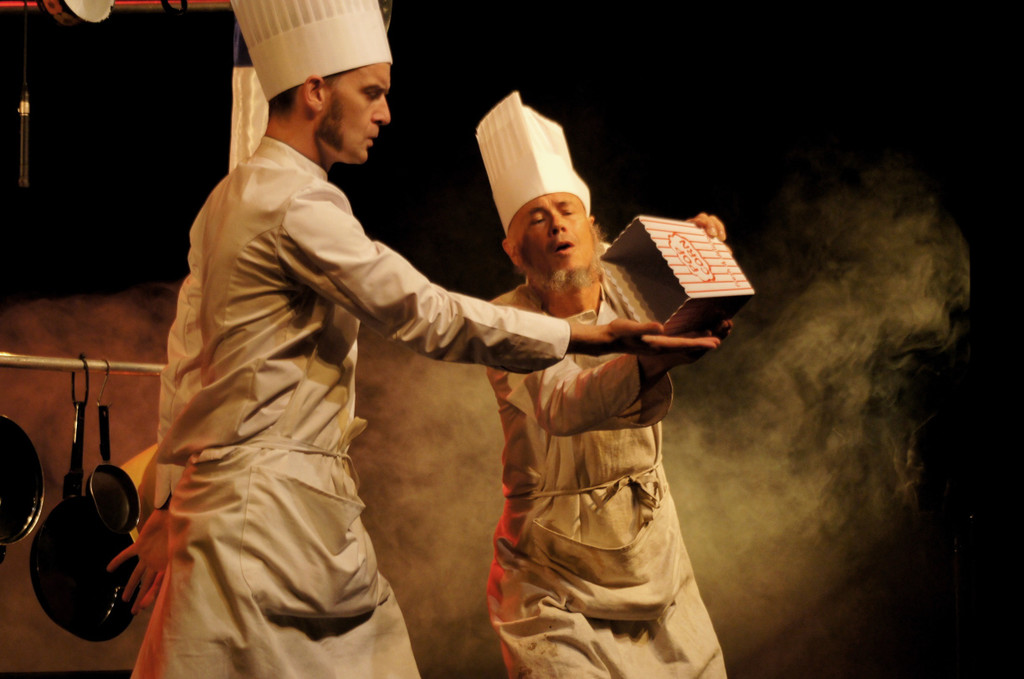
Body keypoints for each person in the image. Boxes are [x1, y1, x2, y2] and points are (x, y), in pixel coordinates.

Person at [107, 3, 711, 679]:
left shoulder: (227, 199)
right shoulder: (296, 203)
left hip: (240, 514)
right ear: (316, 91)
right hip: (272, 523)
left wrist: (168, 502)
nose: (385, 113)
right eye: (372, 92)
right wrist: (581, 336)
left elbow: (185, 364)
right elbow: (423, 311)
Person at [476, 91, 730, 678]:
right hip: (551, 581)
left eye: (566, 210)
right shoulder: (505, 322)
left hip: (655, 562)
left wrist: (700, 250)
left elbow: (703, 281)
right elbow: (563, 403)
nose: (556, 224)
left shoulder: (631, 272)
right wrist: (647, 363)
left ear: (592, 227)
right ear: (514, 250)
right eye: (535, 218)